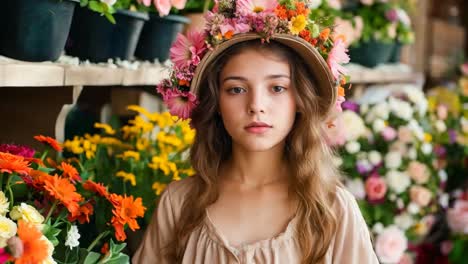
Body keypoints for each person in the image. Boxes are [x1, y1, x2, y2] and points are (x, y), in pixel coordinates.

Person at [133, 1, 379, 263]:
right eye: (236, 89)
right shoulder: (179, 204)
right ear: (216, 104)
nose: (256, 106)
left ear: (299, 100)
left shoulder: (332, 209)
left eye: (277, 88)